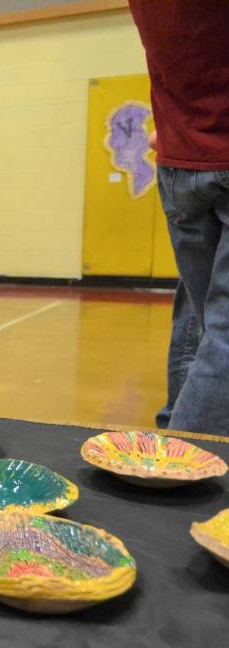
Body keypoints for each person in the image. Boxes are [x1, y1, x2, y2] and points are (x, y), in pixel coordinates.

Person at [128, 1, 229, 436]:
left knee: (202, 314)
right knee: (222, 333)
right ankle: (179, 469)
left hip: (182, 162)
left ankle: (174, 422)